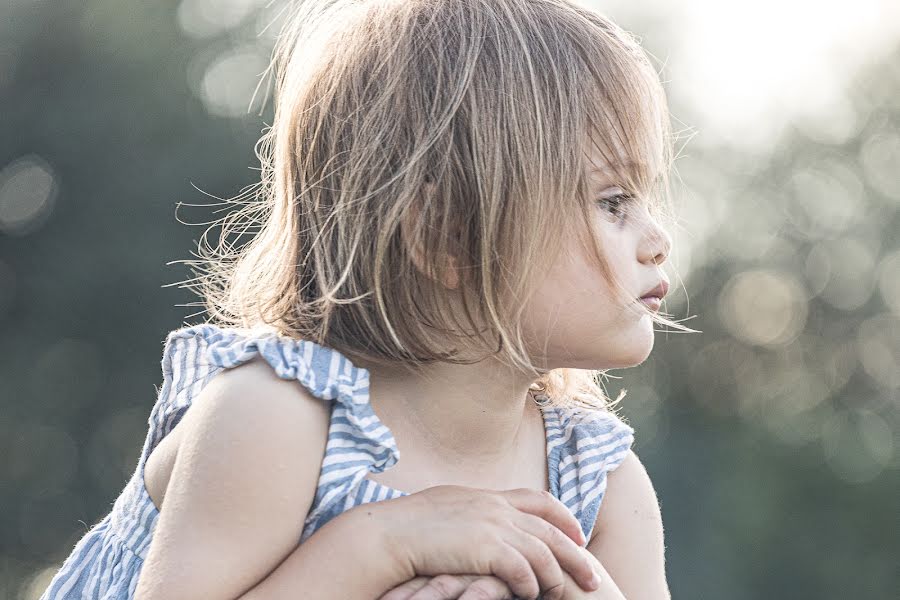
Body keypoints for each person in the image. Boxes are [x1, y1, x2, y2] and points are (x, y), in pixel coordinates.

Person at [41, 0, 694, 598]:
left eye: (645, 198)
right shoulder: (278, 418)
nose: (658, 238)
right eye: (613, 202)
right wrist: (383, 544)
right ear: (447, 237)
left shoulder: (600, 484)